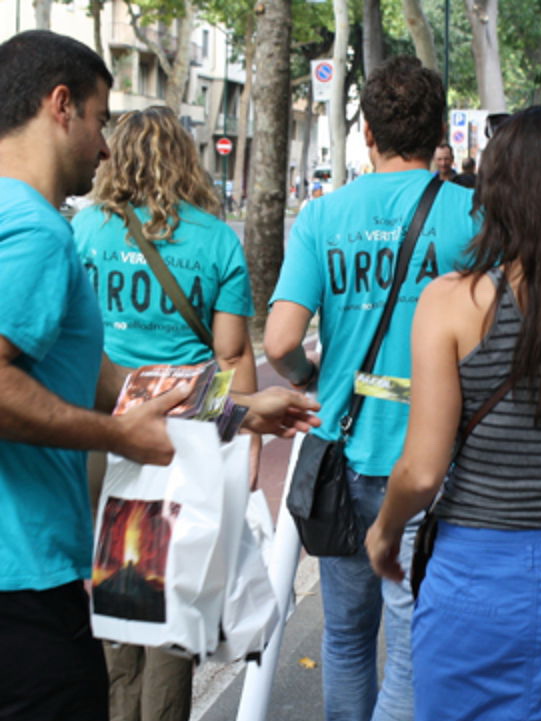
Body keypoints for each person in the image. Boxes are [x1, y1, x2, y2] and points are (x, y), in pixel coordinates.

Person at [0, 30, 320, 721]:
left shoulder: (62, 228)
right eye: (97, 119)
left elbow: (106, 378)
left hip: (61, 524)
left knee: (117, 633)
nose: (104, 146)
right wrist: (123, 435)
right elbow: (221, 357)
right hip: (30, 572)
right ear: (61, 106)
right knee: (160, 622)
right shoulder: (39, 231)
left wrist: (235, 413)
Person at [366, 105, 541, 721]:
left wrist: (386, 532)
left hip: (476, 583)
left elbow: (420, 472)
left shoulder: (453, 301)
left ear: (495, 194)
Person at [264, 55, 479, 721]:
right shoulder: (473, 213)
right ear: (439, 131)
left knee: (346, 636)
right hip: (434, 460)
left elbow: (277, 342)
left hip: (343, 447)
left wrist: (309, 387)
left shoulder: (324, 217)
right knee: (415, 644)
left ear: (367, 134)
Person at [72, 105, 259, 721]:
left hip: (101, 436)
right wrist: (246, 447)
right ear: (185, 157)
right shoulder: (215, 238)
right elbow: (230, 356)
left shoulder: (82, 232)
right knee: (174, 611)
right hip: (182, 443)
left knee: (112, 609)